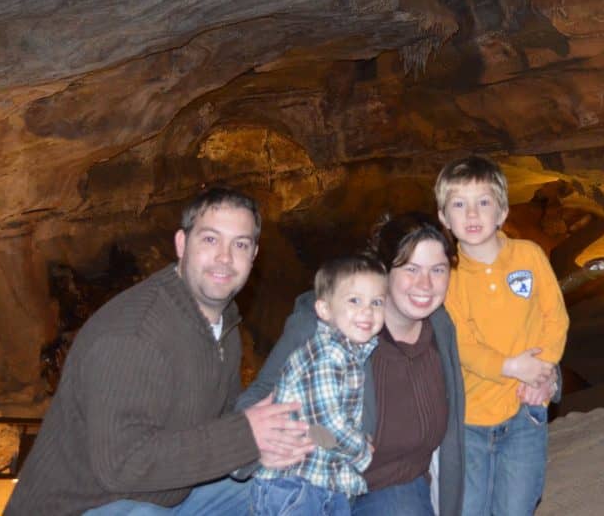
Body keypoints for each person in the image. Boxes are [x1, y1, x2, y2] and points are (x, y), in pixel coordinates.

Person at [6, 187, 314, 515]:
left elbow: (221, 425)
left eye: (240, 244)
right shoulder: (134, 333)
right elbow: (122, 465)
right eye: (210, 239)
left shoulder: (224, 325)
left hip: (166, 497)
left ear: (254, 255)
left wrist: (258, 450)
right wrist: (244, 436)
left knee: (285, 484)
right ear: (182, 244)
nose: (225, 257)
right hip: (83, 505)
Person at [239, 212, 465, 516]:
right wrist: (260, 448)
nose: (425, 284)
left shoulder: (440, 325)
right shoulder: (327, 323)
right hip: (314, 485)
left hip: (394, 484)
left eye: (437, 270)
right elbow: (259, 396)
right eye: (411, 269)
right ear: (384, 270)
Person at [434, 156, 569, 516]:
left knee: (516, 506)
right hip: (470, 422)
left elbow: (554, 316)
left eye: (483, 202)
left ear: (502, 211)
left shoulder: (529, 256)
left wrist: (543, 368)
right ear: (445, 218)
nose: (473, 215)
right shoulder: (448, 276)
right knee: (470, 508)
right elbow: (460, 343)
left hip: (525, 411)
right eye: (459, 205)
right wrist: (510, 367)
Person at [251, 254, 388, 515]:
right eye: (354, 300)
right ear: (325, 310)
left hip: (323, 482)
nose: (367, 311)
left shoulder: (350, 354)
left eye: (377, 302)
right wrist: (361, 451)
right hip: (296, 485)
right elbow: (326, 427)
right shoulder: (326, 356)